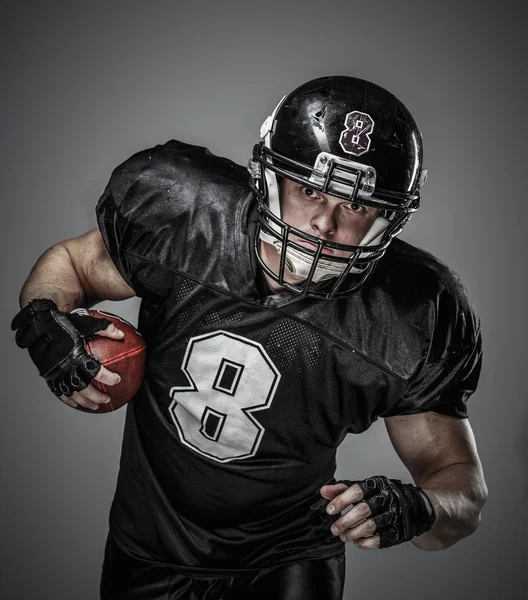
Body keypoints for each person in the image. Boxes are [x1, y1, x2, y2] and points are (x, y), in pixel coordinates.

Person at [11, 76, 488, 599]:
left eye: (355, 206)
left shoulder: (409, 314)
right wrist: (47, 324)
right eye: (310, 189)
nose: (325, 223)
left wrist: (421, 509)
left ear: (387, 219)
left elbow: (458, 487)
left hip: (290, 558)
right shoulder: (186, 219)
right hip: (151, 545)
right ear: (268, 178)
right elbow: (73, 265)